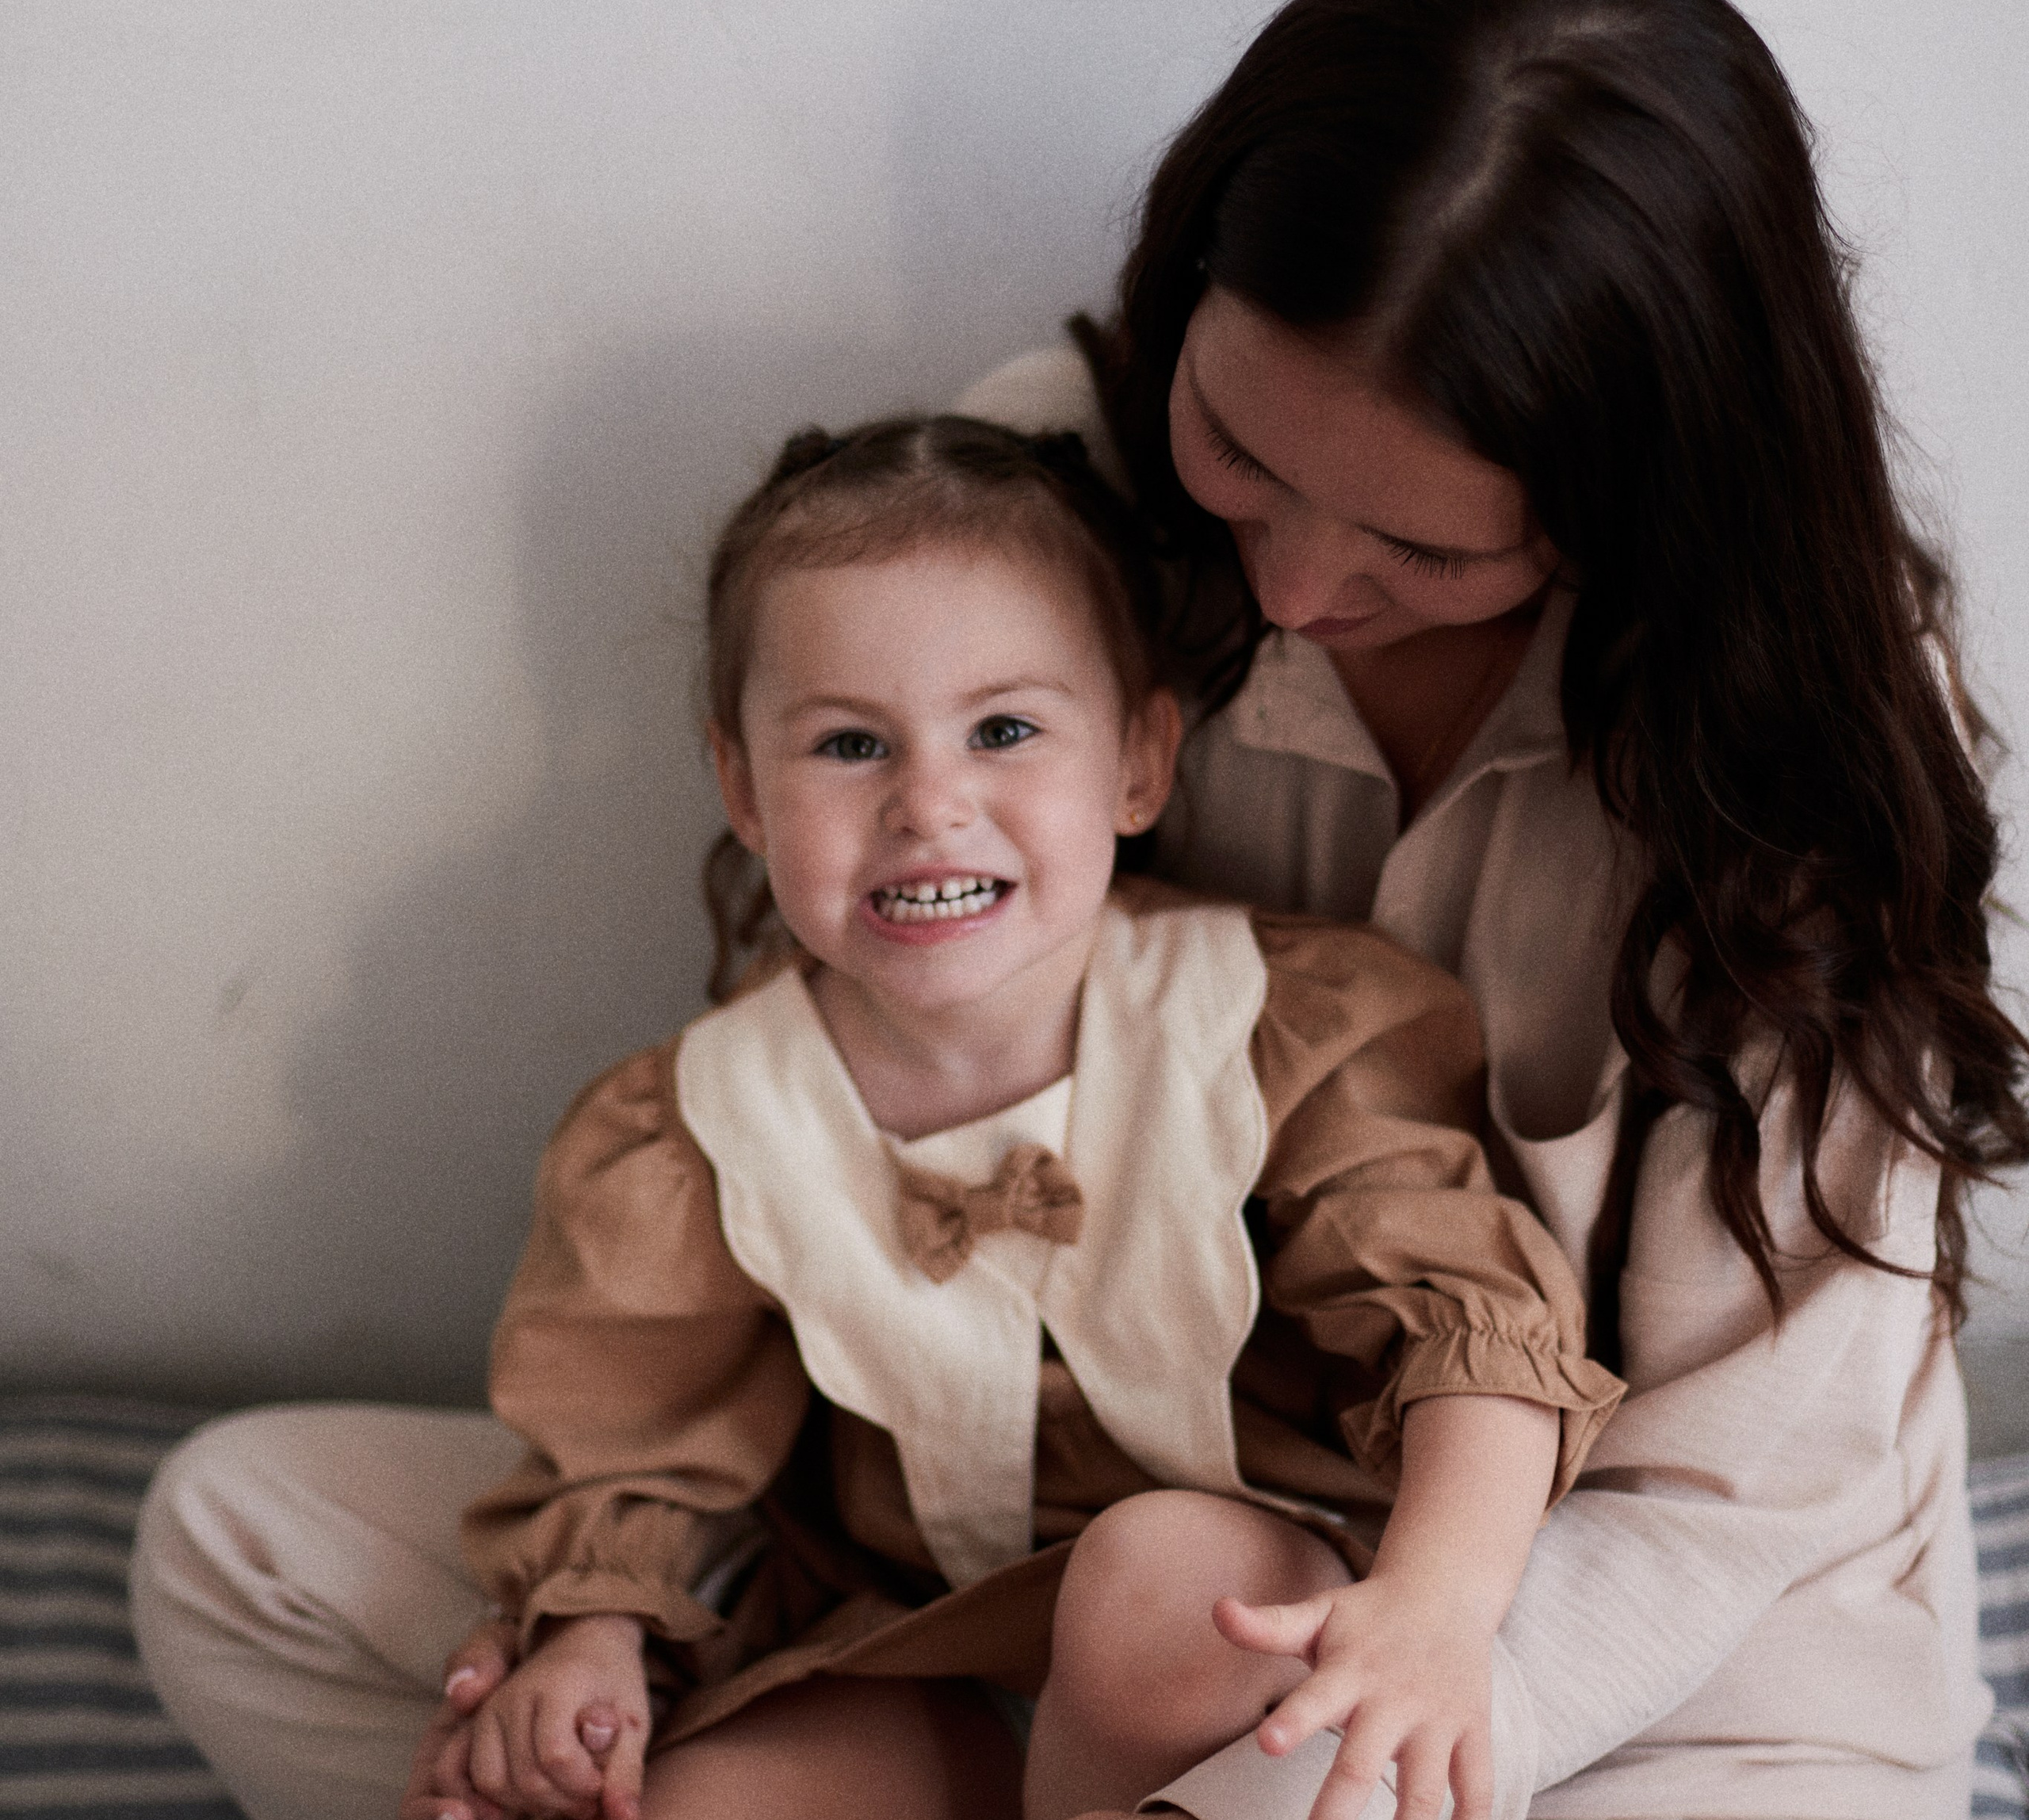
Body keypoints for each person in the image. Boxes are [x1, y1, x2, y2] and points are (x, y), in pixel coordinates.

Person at [131, 0, 2024, 1820]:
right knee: (239, 1543)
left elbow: (1733, 1478)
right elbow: (841, 1054)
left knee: (1225, 1680)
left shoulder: (1798, 737)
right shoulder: (1039, 491)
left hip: (1584, 1619)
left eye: (1426, 552)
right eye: (1239, 452)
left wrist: (1364, 1707)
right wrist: (595, 1628)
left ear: (1640, 505)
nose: (1294, 588)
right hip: (1008, 1559)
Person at [418, 411, 1618, 1820]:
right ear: (742, 788)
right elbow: (634, 1435)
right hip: (936, 1651)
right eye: (850, 745)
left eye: (1003, 731)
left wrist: (1436, 1607)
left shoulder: (1261, 1028)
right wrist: (590, 1641)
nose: (930, 805)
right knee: (683, 1804)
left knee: (1159, 1576)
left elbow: (1470, 1328)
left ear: (1140, 763)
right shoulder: (707, 1120)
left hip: (1253, 1645)